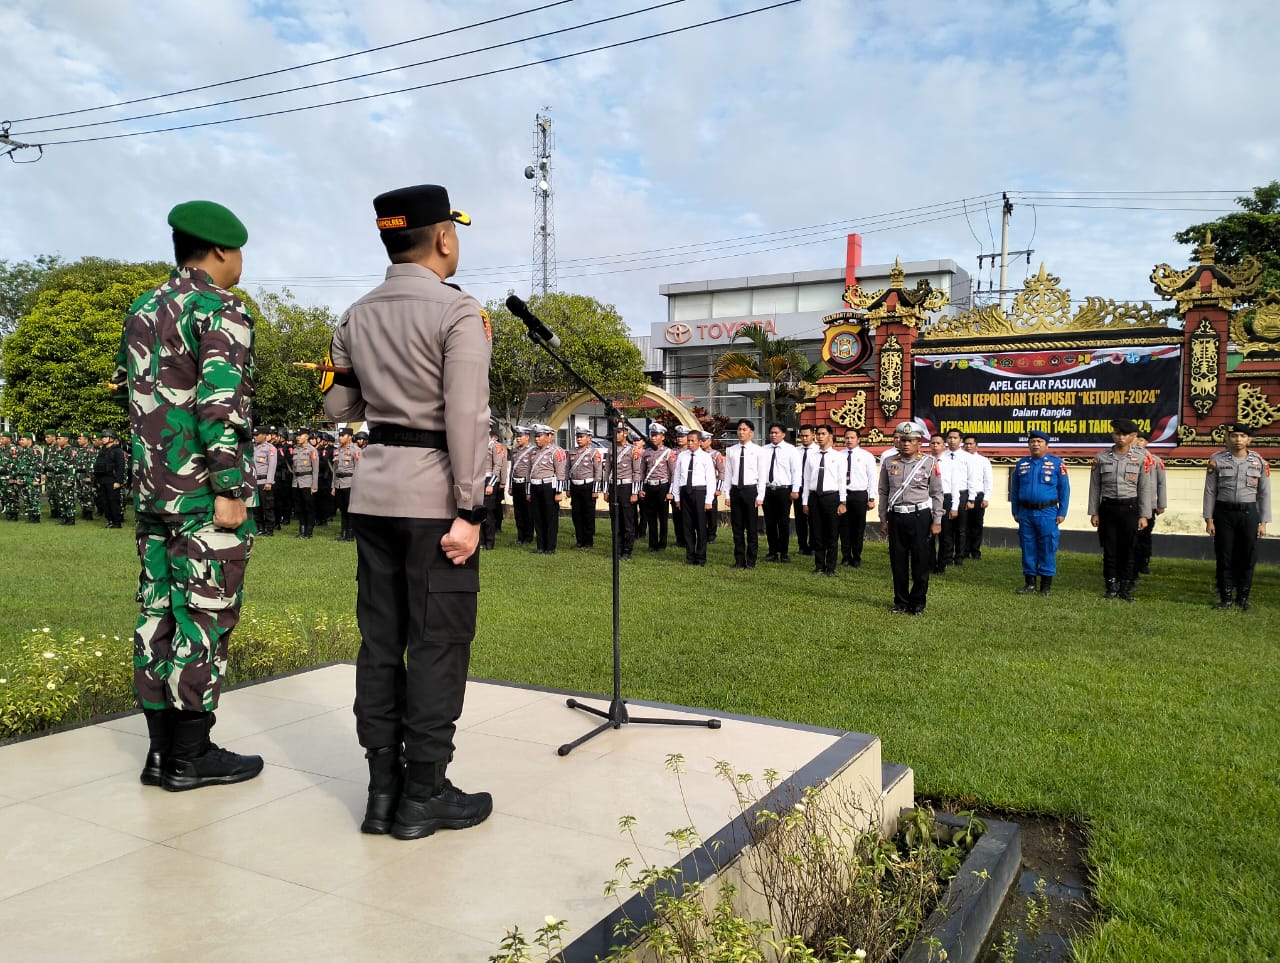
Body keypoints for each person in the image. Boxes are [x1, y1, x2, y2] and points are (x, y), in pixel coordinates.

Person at [323, 183, 492, 840]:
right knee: (438, 644)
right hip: (434, 500)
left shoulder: (355, 314)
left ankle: (381, 792)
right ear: (444, 237)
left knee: (380, 643)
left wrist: (384, 392)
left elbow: (338, 409)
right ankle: (424, 792)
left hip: (375, 492)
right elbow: (466, 416)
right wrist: (471, 508)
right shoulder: (459, 313)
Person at [110, 198, 263, 792]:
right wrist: (230, 486)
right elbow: (220, 406)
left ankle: (159, 754)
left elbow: (137, 399)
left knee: (156, 619)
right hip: (202, 498)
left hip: (154, 495)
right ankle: (191, 757)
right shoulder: (220, 309)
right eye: (240, 251)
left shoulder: (144, 308)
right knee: (203, 620)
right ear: (222, 251)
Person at [878, 422, 944, 614]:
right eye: (903, 439)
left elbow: (937, 493)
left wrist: (937, 520)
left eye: (911, 440)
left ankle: (917, 603)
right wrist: (883, 518)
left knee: (920, 561)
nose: (906, 444)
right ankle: (900, 602)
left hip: (919, 516)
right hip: (896, 515)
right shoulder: (889, 462)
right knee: (897, 561)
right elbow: (883, 491)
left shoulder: (929, 462)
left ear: (919, 442)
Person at [1204, 424, 1271, 611]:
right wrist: (1209, 519)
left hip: (1249, 514)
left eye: (1242, 436)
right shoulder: (1216, 460)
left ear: (1249, 440)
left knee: (1247, 555)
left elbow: (1264, 494)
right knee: (1224, 555)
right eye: (1234, 435)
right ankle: (1225, 597)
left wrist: (1263, 522)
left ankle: (1242, 597)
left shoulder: (1259, 462)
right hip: (1223, 513)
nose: (1238, 439)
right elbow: (1209, 491)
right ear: (1227, 438)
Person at [1087, 418, 1153, 602]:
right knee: (1110, 549)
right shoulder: (1101, 458)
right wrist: (1094, 512)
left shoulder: (1141, 458)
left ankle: (1125, 587)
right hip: (1108, 508)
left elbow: (1144, 488)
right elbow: (1095, 488)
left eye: (1125, 434)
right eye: (1117, 433)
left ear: (1133, 436)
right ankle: (1111, 586)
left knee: (1129, 549)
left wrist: (1144, 515)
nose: (1120, 437)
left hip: (1130, 508)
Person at [1010, 430, 1070, 595]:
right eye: (1032, 441)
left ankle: (1045, 586)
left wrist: (1062, 512)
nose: (1035, 444)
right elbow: (1014, 490)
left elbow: (1064, 490)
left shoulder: (1057, 464)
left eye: (1039, 441)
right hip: (1025, 513)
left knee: (1047, 547)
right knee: (1027, 547)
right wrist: (1015, 510)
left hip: (1048, 512)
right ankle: (1029, 583)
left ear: (1046, 444)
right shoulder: (1021, 464)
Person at [801, 424, 846, 577]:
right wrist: (805, 501)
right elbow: (806, 480)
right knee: (817, 532)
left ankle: (831, 567)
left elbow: (841, 481)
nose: (820, 437)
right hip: (814, 497)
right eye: (818, 434)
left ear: (830, 436)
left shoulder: (839, 457)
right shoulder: (811, 457)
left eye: (823, 434)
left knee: (832, 533)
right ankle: (819, 565)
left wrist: (843, 502)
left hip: (831, 497)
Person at [722, 419, 764, 569]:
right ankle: (739, 560)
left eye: (744, 430)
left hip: (750, 490)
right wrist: (727, 494)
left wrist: (760, 496)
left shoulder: (758, 451)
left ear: (751, 432)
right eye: (739, 429)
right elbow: (728, 474)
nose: (741, 432)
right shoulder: (731, 450)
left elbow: (762, 475)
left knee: (752, 528)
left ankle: (751, 561)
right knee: (737, 528)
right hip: (736, 490)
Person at [672, 428, 715, 565]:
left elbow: (711, 479)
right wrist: (677, 497)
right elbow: (677, 477)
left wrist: (709, 500)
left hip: (699, 491)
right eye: (688, 440)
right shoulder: (682, 456)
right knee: (687, 526)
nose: (689, 443)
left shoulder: (705, 457)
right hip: (685, 491)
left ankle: (701, 557)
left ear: (699, 442)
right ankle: (690, 556)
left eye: (692, 441)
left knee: (701, 526)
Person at [603, 422, 641, 559]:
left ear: (625, 433)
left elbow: (637, 472)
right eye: (615, 432)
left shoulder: (633, 450)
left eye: (618, 432)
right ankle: (617, 550)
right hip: (614, 487)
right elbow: (607, 471)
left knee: (627, 521)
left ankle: (627, 550)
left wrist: (635, 492)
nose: (616, 435)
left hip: (626, 486)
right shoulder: (610, 449)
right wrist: (606, 490)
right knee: (615, 519)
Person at [527, 424, 566, 554]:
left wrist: (559, 492)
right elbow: (529, 473)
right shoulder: (533, 452)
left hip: (549, 487)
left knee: (550, 517)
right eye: (536, 436)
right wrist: (528, 491)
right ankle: (540, 546)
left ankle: (550, 547)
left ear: (549, 437)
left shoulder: (556, 451)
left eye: (539, 436)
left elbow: (560, 473)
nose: (537, 439)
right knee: (537, 517)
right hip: (535, 486)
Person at [839, 428, 876, 567]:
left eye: (852, 437)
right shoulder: (839, 455)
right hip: (843, 495)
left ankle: (857, 557)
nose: (849, 440)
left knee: (858, 528)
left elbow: (872, 478)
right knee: (844, 527)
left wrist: (871, 498)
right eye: (846, 437)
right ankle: (845, 556)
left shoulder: (867, 456)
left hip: (859, 495)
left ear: (858, 439)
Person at [761, 423, 796, 562]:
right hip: (768, 490)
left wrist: (795, 489)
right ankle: (772, 551)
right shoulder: (763, 450)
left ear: (783, 434)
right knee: (769, 522)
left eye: (776, 432)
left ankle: (784, 552)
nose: (773, 435)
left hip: (783, 490)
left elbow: (796, 471)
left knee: (783, 522)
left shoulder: (790, 450)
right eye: (771, 433)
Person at [1133, 434, 1167, 575]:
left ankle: (1143, 563)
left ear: (1147, 442)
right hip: (1131, 503)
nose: (1138, 442)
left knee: (1145, 536)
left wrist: (1161, 504)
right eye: (1136, 439)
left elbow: (1161, 483)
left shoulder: (1155, 461)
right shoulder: (1130, 459)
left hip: (1149, 505)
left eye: (1141, 440)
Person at [639, 424, 676, 551]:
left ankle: (662, 543)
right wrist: (641, 489)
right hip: (649, 486)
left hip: (662, 486)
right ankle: (652, 543)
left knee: (663, 517)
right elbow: (642, 472)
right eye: (652, 435)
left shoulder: (668, 452)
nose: (653, 438)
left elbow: (673, 474)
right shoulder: (646, 453)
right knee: (651, 516)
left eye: (656, 435)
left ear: (663, 437)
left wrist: (670, 491)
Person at [566, 426, 603, 548]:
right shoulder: (572, 452)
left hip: (588, 486)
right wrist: (567, 488)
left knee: (588, 514)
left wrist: (595, 490)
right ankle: (579, 540)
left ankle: (588, 541)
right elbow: (567, 471)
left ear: (589, 438)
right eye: (578, 437)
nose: (579, 439)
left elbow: (598, 472)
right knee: (576, 514)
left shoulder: (593, 453)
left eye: (581, 437)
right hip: (575, 486)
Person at [928, 433, 960, 575]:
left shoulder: (950, 463)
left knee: (945, 535)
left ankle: (941, 566)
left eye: (938, 443)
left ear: (943, 445)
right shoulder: (925, 461)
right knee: (928, 535)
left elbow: (955, 486)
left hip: (945, 499)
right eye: (933, 443)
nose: (935, 445)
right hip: (928, 500)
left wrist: (954, 507)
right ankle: (929, 565)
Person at [962, 435, 992, 559]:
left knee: (977, 524)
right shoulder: (960, 459)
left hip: (979, 496)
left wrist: (986, 497)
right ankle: (964, 551)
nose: (968, 446)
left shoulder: (983, 460)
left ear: (976, 445)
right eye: (966, 444)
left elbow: (988, 480)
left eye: (971, 444)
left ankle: (975, 551)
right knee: (963, 525)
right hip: (964, 495)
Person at [790, 425, 818, 556]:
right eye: (802, 435)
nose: (804, 438)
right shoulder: (795, 451)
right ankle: (802, 546)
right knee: (800, 519)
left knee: (813, 519)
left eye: (807, 435)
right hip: (798, 487)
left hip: (813, 489)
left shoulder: (818, 451)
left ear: (813, 435)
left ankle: (813, 546)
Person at [93, 429, 127, 528]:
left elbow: (120, 467)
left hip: (112, 480)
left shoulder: (117, 451)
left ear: (111, 438)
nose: (102, 439)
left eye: (105, 437)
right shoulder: (103, 450)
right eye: (102, 437)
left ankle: (117, 522)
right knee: (105, 501)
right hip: (102, 480)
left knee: (113, 501)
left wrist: (118, 481)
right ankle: (110, 520)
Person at [507, 425, 535, 545]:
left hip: (526, 484)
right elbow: (512, 469)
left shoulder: (532, 451)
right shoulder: (514, 451)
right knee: (518, 512)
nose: (518, 439)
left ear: (527, 437)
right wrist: (510, 485)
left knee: (528, 512)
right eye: (517, 436)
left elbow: (532, 470)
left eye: (520, 436)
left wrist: (529, 489)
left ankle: (528, 537)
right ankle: (520, 536)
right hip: (516, 483)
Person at [332, 426, 360, 541]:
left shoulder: (356, 450)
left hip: (350, 483)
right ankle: (343, 532)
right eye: (339, 435)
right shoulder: (337, 450)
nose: (340, 437)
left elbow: (359, 469)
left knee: (350, 510)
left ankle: (350, 533)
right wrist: (333, 485)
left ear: (349, 437)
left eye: (342, 436)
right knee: (342, 509)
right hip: (338, 483)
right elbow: (334, 469)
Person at [481, 421, 505, 549]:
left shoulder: (496, 446)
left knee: (488, 512)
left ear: (489, 429)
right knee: (478, 512)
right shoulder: (476, 444)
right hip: (478, 481)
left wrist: (490, 484)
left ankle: (489, 542)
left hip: (489, 480)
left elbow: (498, 466)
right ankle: (480, 541)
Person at [291, 428, 319, 538]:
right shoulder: (296, 449)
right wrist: (293, 483)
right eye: (297, 435)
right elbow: (294, 469)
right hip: (296, 482)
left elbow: (316, 469)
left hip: (307, 482)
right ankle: (302, 529)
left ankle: (309, 531)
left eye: (300, 435)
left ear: (306, 437)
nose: (298, 437)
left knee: (309, 507)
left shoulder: (312, 450)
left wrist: (314, 485)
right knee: (299, 507)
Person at [252, 424, 277, 536]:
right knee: (256, 507)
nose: (255, 437)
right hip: (254, 481)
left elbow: (272, 466)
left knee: (267, 506)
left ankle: (269, 529)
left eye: (257, 435)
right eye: (254, 435)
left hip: (264, 482)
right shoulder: (253, 447)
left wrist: (269, 482)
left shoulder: (270, 448)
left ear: (264, 435)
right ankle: (260, 528)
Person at [701, 430, 725, 544]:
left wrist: (719, 488)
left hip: (712, 486)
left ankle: (711, 534)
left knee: (711, 512)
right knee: (700, 512)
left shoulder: (716, 454)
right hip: (700, 486)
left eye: (704, 440)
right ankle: (703, 533)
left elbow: (721, 472)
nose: (701, 443)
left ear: (709, 441)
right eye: (700, 440)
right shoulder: (697, 454)